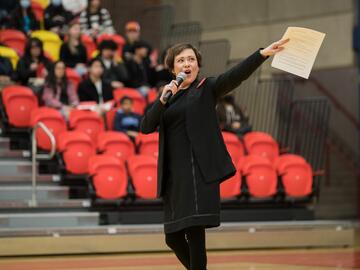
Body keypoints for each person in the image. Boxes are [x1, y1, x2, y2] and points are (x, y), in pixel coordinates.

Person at [140, 39, 289, 269]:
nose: (186, 64)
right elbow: (146, 126)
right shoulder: (167, 97)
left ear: (198, 66)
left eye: (191, 59)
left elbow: (234, 75)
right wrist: (161, 100)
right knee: (172, 238)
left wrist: (262, 54)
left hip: (198, 173)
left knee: (195, 234)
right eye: (180, 60)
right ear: (172, 69)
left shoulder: (206, 89)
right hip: (174, 178)